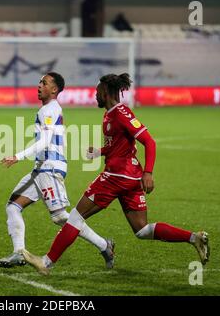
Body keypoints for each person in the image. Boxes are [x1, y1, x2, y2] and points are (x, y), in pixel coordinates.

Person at [22, 73, 210, 275]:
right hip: (130, 178)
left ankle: (46, 262)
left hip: (116, 177)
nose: (95, 96)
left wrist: (149, 173)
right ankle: (194, 238)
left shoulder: (122, 113)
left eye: (97, 92)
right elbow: (119, 147)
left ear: (105, 92)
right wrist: (100, 152)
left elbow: (150, 142)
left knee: (75, 217)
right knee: (142, 229)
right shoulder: (109, 114)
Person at [0, 72, 115, 269]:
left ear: (54, 89)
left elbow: (44, 141)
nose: (39, 85)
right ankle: (19, 253)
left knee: (60, 216)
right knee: (12, 206)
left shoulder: (50, 110)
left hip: (50, 168)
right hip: (40, 169)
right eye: (39, 82)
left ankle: (104, 245)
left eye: (44, 82)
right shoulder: (47, 109)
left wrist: (18, 156)